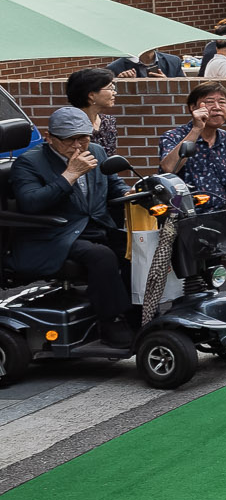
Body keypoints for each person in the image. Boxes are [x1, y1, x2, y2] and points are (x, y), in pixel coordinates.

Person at [4, 107, 133, 336]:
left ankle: (138, 312)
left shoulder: (96, 150)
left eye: (82, 138)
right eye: (68, 140)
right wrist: (70, 174)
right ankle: (111, 321)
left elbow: (113, 185)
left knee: (138, 246)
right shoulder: (29, 163)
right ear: (49, 138)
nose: (77, 146)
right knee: (101, 256)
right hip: (55, 234)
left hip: (95, 226)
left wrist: (130, 193)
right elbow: (31, 203)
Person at [158, 84, 226, 231]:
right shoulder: (173, 136)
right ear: (193, 108)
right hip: (187, 216)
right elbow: (169, 168)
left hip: (224, 211)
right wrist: (197, 129)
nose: (217, 107)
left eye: (222, 102)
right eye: (209, 102)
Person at [64, 67, 119, 161]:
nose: (115, 93)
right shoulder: (68, 125)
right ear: (91, 95)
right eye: (110, 88)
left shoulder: (108, 121)